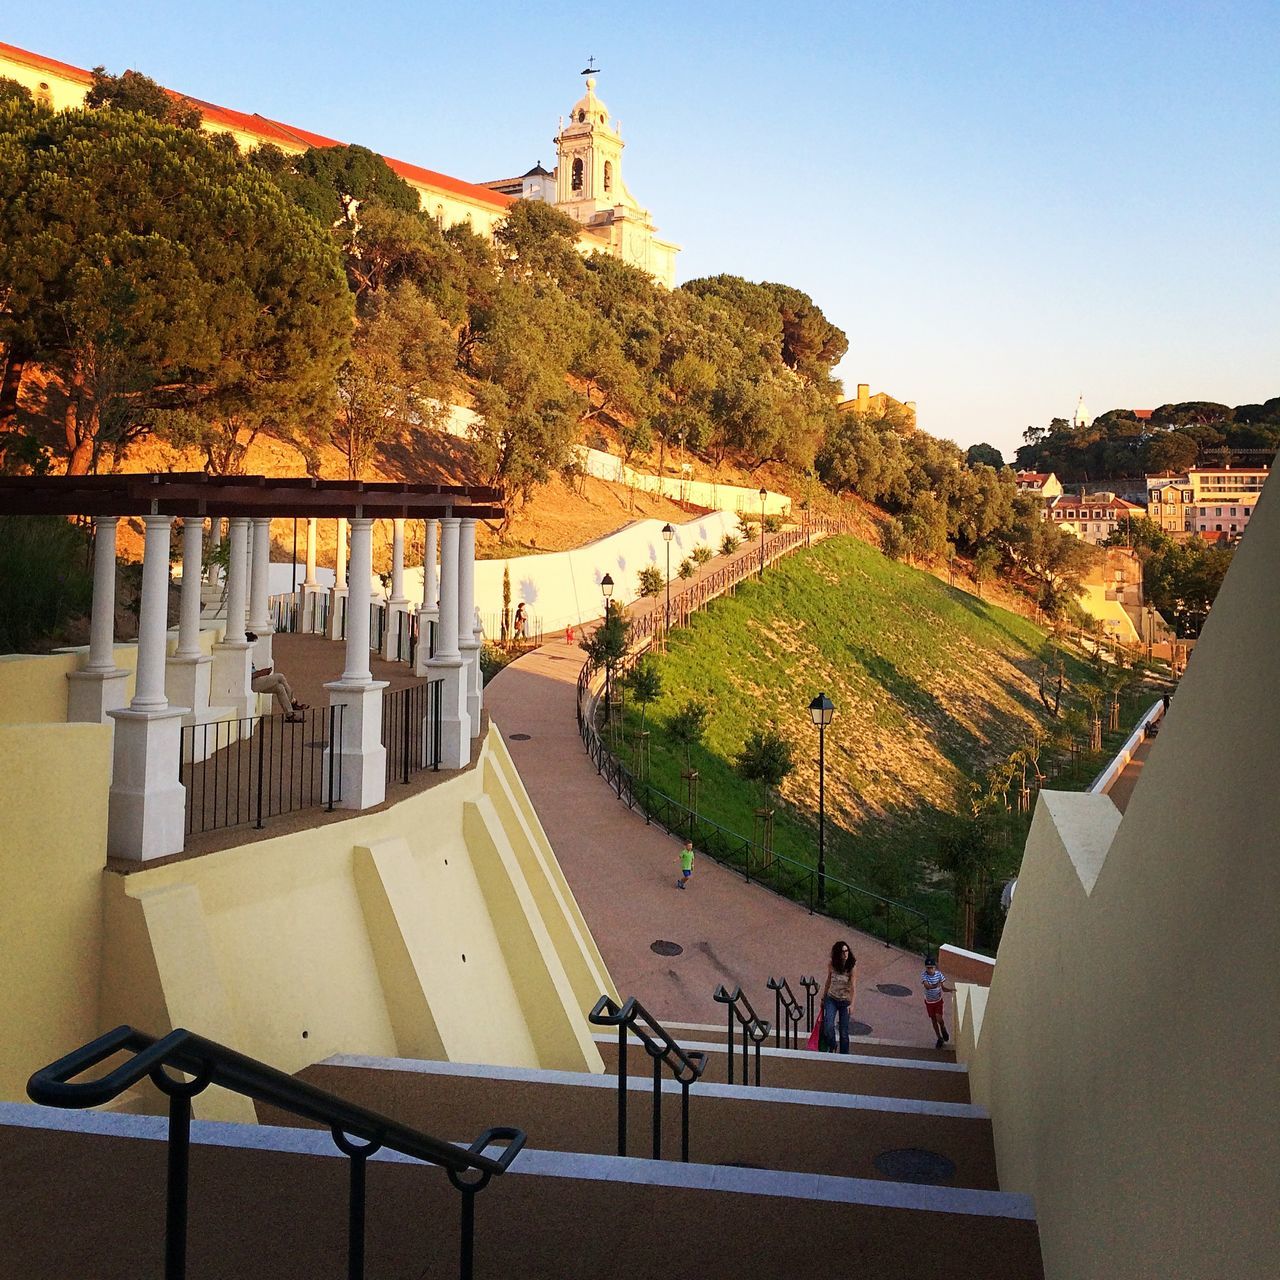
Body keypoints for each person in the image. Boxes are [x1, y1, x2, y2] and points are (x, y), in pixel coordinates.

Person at [246, 634, 307, 722]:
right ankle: (293, 702)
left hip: (255, 681)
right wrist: (261, 673)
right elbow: (246, 675)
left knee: (280, 688)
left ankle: (290, 715)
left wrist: (261, 672)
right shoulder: (242, 655)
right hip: (250, 684)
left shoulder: (248, 654)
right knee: (280, 676)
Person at [820, 941, 857, 1054]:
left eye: (847, 951)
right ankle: (832, 1044)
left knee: (844, 1032)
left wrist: (852, 1003)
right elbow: (828, 980)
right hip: (832, 998)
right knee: (828, 1025)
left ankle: (844, 1055)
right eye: (842, 952)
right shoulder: (832, 964)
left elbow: (853, 986)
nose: (845, 954)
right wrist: (823, 997)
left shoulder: (852, 966)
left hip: (845, 1001)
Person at [921, 954, 954, 1049]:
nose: (930, 970)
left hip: (938, 1001)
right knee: (933, 1020)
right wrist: (936, 985)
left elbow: (943, 988)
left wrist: (950, 990)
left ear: (935, 967)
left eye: (931, 968)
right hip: (929, 1002)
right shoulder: (924, 975)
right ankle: (939, 1038)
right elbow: (927, 986)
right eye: (928, 968)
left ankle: (943, 1029)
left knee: (939, 1018)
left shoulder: (939, 975)